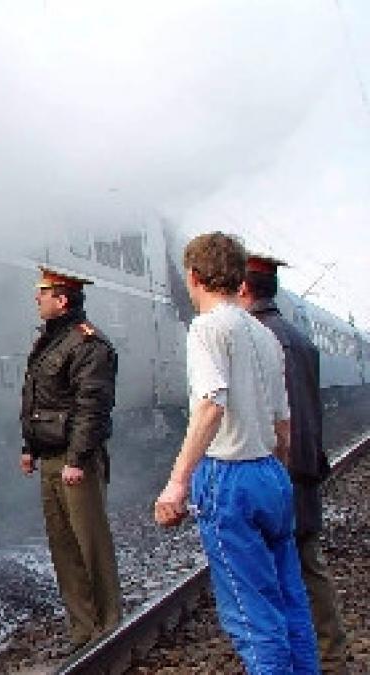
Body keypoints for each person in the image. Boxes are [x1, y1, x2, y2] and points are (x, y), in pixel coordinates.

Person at [155, 232, 319, 674]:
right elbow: (283, 423)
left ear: (193, 276)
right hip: (270, 472)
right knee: (289, 600)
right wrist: (276, 472)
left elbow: (211, 402)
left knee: (251, 616)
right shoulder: (264, 335)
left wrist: (178, 481)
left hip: (231, 475)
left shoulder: (208, 328)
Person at [237, 253, 348, 673]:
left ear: (245, 289)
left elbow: (284, 415)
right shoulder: (294, 336)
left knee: (299, 561)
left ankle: (326, 650)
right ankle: (326, 647)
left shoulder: (262, 339)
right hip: (301, 464)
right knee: (304, 559)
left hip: (283, 467)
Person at [20, 266, 121, 648]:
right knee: (63, 548)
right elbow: (37, 403)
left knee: (90, 544)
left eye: (43, 294)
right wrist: (29, 448)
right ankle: (83, 630)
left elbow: (91, 408)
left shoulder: (88, 346)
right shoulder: (47, 343)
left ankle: (109, 626)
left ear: (62, 301)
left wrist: (77, 460)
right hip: (51, 459)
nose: (36, 299)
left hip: (75, 462)